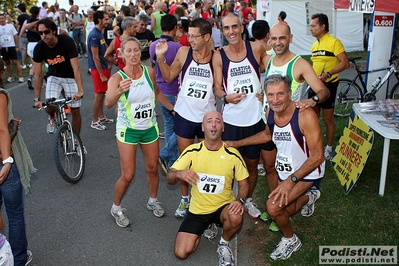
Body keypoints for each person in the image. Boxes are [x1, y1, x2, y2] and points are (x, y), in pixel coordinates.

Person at [105, 37, 175, 227]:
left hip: (149, 128)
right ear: (122, 54)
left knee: (152, 169)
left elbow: (157, 93)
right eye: (129, 51)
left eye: (136, 50)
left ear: (140, 51)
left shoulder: (149, 72)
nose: (133, 54)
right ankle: (116, 207)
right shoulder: (117, 78)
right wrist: (119, 90)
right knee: (128, 175)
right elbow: (108, 103)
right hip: (128, 131)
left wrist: (172, 109)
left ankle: (153, 200)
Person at [166, 111, 249, 266]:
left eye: (218, 121)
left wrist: (240, 200)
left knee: (236, 215)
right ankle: (203, 227)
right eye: (209, 121)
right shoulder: (192, 151)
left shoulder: (233, 154)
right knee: (181, 252)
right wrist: (179, 174)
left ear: (222, 127)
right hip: (198, 210)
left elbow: (244, 184)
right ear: (203, 127)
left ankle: (224, 243)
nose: (213, 124)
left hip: (222, 207)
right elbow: (169, 178)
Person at [154, 18, 217, 218]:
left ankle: (205, 200)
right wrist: (161, 58)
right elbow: (170, 76)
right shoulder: (183, 52)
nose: (189, 39)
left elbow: (223, 85)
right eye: (188, 35)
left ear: (206, 37)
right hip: (185, 115)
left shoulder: (216, 57)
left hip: (207, 119)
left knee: (207, 160)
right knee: (185, 160)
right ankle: (185, 199)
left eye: (194, 36)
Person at [263, 74, 325, 260]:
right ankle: (309, 197)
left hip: (308, 171)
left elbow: (318, 156)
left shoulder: (305, 115)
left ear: (290, 93)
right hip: (287, 171)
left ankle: (291, 240)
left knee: (273, 208)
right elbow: (267, 136)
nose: (275, 100)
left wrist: (291, 181)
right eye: (271, 95)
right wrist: (237, 142)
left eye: (280, 94)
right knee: (285, 210)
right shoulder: (270, 113)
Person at [213, 13, 265, 219]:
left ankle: (247, 200)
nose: (231, 31)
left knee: (252, 165)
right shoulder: (219, 55)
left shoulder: (256, 48)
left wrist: (267, 91)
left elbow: (276, 65)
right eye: (226, 28)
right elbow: (217, 88)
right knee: (228, 167)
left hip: (254, 118)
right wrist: (226, 97)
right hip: (232, 121)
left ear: (242, 27)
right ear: (223, 31)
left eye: (234, 27)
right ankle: (223, 205)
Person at [0, 87, 36, 265]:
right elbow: (2, 130)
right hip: (3, 162)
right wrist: (7, 161)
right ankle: (18, 259)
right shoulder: (0, 94)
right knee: (14, 215)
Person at [32, 18, 84, 135]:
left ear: (54, 31)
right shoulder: (39, 48)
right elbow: (38, 74)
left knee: (75, 110)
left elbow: (76, 68)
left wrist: (80, 90)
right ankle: (52, 117)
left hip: (70, 77)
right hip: (53, 77)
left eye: (46, 32)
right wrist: (37, 99)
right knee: (49, 104)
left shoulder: (66, 41)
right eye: (40, 33)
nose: (44, 35)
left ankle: (77, 142)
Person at [309, 13, 350, 160]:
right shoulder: (314, 45)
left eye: (313, 25)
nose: (310, 28)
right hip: (314, 85)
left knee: (327, 119)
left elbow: (345, 63)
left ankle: (329, 148)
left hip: (329, 85)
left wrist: (328, 73)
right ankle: (314, 147)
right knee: (311, 118)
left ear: (322, 26)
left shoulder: (334, 42)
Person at [149, 14, 181, 179]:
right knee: (182, 126)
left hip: (159, 90)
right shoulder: (177, 47)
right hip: (174, 90)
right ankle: (166, 153)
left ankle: (172, 162)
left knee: (169, 125)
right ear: (175, 27)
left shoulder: (153, 45)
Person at [88, 11, 114, 131]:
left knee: (102, 93)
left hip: (103, 68)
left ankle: (101, 116)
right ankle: (94, 121)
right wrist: (101, 74)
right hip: (98, 70)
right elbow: (95, 56)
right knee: (98, 95)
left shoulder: (100, 33)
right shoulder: (94, 35)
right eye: (106, 19)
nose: (108, 21)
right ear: (99, 20)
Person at [0, 14, 24, 84]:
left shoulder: (10, 26)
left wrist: (16, 46)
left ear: (5, 19)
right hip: (3, 47)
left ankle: (20, 76)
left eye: (2, 18)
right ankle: (10, 76)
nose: (1, 20)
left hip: (11, 45)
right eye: (0, 18)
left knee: (15, 61)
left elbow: (15, 36)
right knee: (7, 62)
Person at [16, 3, 30, 70]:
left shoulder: (20, 17)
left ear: (20, 9)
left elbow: (16, 24)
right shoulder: (28, 16)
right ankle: (30, 63)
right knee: (29, 49)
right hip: (28, 33)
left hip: (22, 33)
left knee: (23, 49)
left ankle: (23, 63)